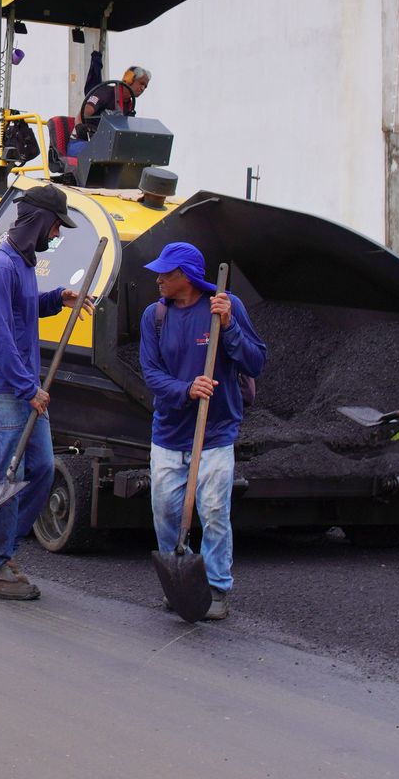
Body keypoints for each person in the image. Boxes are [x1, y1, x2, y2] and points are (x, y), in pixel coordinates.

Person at [0, 184, 93, 600]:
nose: (57, 235)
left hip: (22, 389)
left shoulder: (21, 264)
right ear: (40, 220)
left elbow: (23, 308)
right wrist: (28, 388)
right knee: (7, 477)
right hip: (4, 390)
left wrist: (59, 297)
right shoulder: (2, 266)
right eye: (56, 226)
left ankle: (2, 551)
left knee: (38, 470)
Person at [139, 241, 266, 621]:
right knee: (164, 510)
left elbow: (256, 361)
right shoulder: (155, 315)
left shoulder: (225, 308)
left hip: (215, 431)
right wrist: (186, 389)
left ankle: (216, 587)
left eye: (167, 273)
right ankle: (176, 583)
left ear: (188, 277)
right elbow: (151, 373)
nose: (158, 278)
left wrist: (228, 327)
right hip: (169, 432)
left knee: (213, 510)